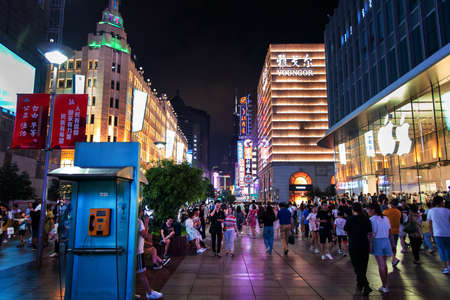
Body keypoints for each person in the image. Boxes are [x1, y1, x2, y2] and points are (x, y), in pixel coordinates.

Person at [345, 202, 372, 296]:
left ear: (353, 209)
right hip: (364, 244)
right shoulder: (366, 219)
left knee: (357, 266)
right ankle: (360, 284)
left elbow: (346, 230)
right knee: (363, 266)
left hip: (354, 244)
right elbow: (369, 232)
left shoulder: (350, 219)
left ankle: (366, 285)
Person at [368, 203, 394, 294]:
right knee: (384, 264)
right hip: (386, 241)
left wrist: (370, 245)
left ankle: (385, 286)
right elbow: (390, 231)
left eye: (369, 209)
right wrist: (393, 243)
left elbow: (371, 234)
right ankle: (385, 284)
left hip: (377, 241)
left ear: (373, 210)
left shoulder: (371, 220)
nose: (368, 211)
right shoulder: (385, 218)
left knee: (381, 265)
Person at [137, 208, 163, 299]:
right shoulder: (138, 221)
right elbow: (145, 236)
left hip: (133, 251)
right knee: (142, 273)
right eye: (142, 211)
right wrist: (146, 223)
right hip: (137, 252)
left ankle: (129, 291)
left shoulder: (131, 220)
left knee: (131, 272)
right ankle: (149, 292)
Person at [427, 196, 450, 274]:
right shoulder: (447, 211)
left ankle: (445, 267)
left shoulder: (431, 211)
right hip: (448, 233)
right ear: (441, 202)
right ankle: (449, 265)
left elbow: (429, 224)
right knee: (448, 249)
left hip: (438, 233)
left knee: (441, 250)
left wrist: (431, 234)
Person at [383, 199, 401, 267]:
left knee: (389, 246)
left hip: (388, 231)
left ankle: (394, 259)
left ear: (391, 204)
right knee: (394, 245)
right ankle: (394, 259)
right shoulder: (399, 212)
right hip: (396, 231)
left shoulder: (386, 212)